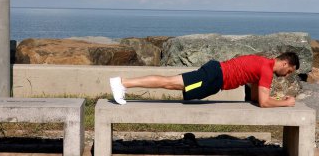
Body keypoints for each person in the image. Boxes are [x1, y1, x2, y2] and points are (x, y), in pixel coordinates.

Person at [110, 52, 299, 108]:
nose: (287, 75)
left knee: (173, 84)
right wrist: (286, 102)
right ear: (284, 63)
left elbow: (258, 99)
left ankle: (123, 83)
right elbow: (265, 103)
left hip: (214, 76)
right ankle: (123, 83)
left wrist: (272, 100)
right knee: (170, 82)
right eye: (289, 71)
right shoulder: (266, 69)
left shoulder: (263, 63)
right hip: (213, 77)